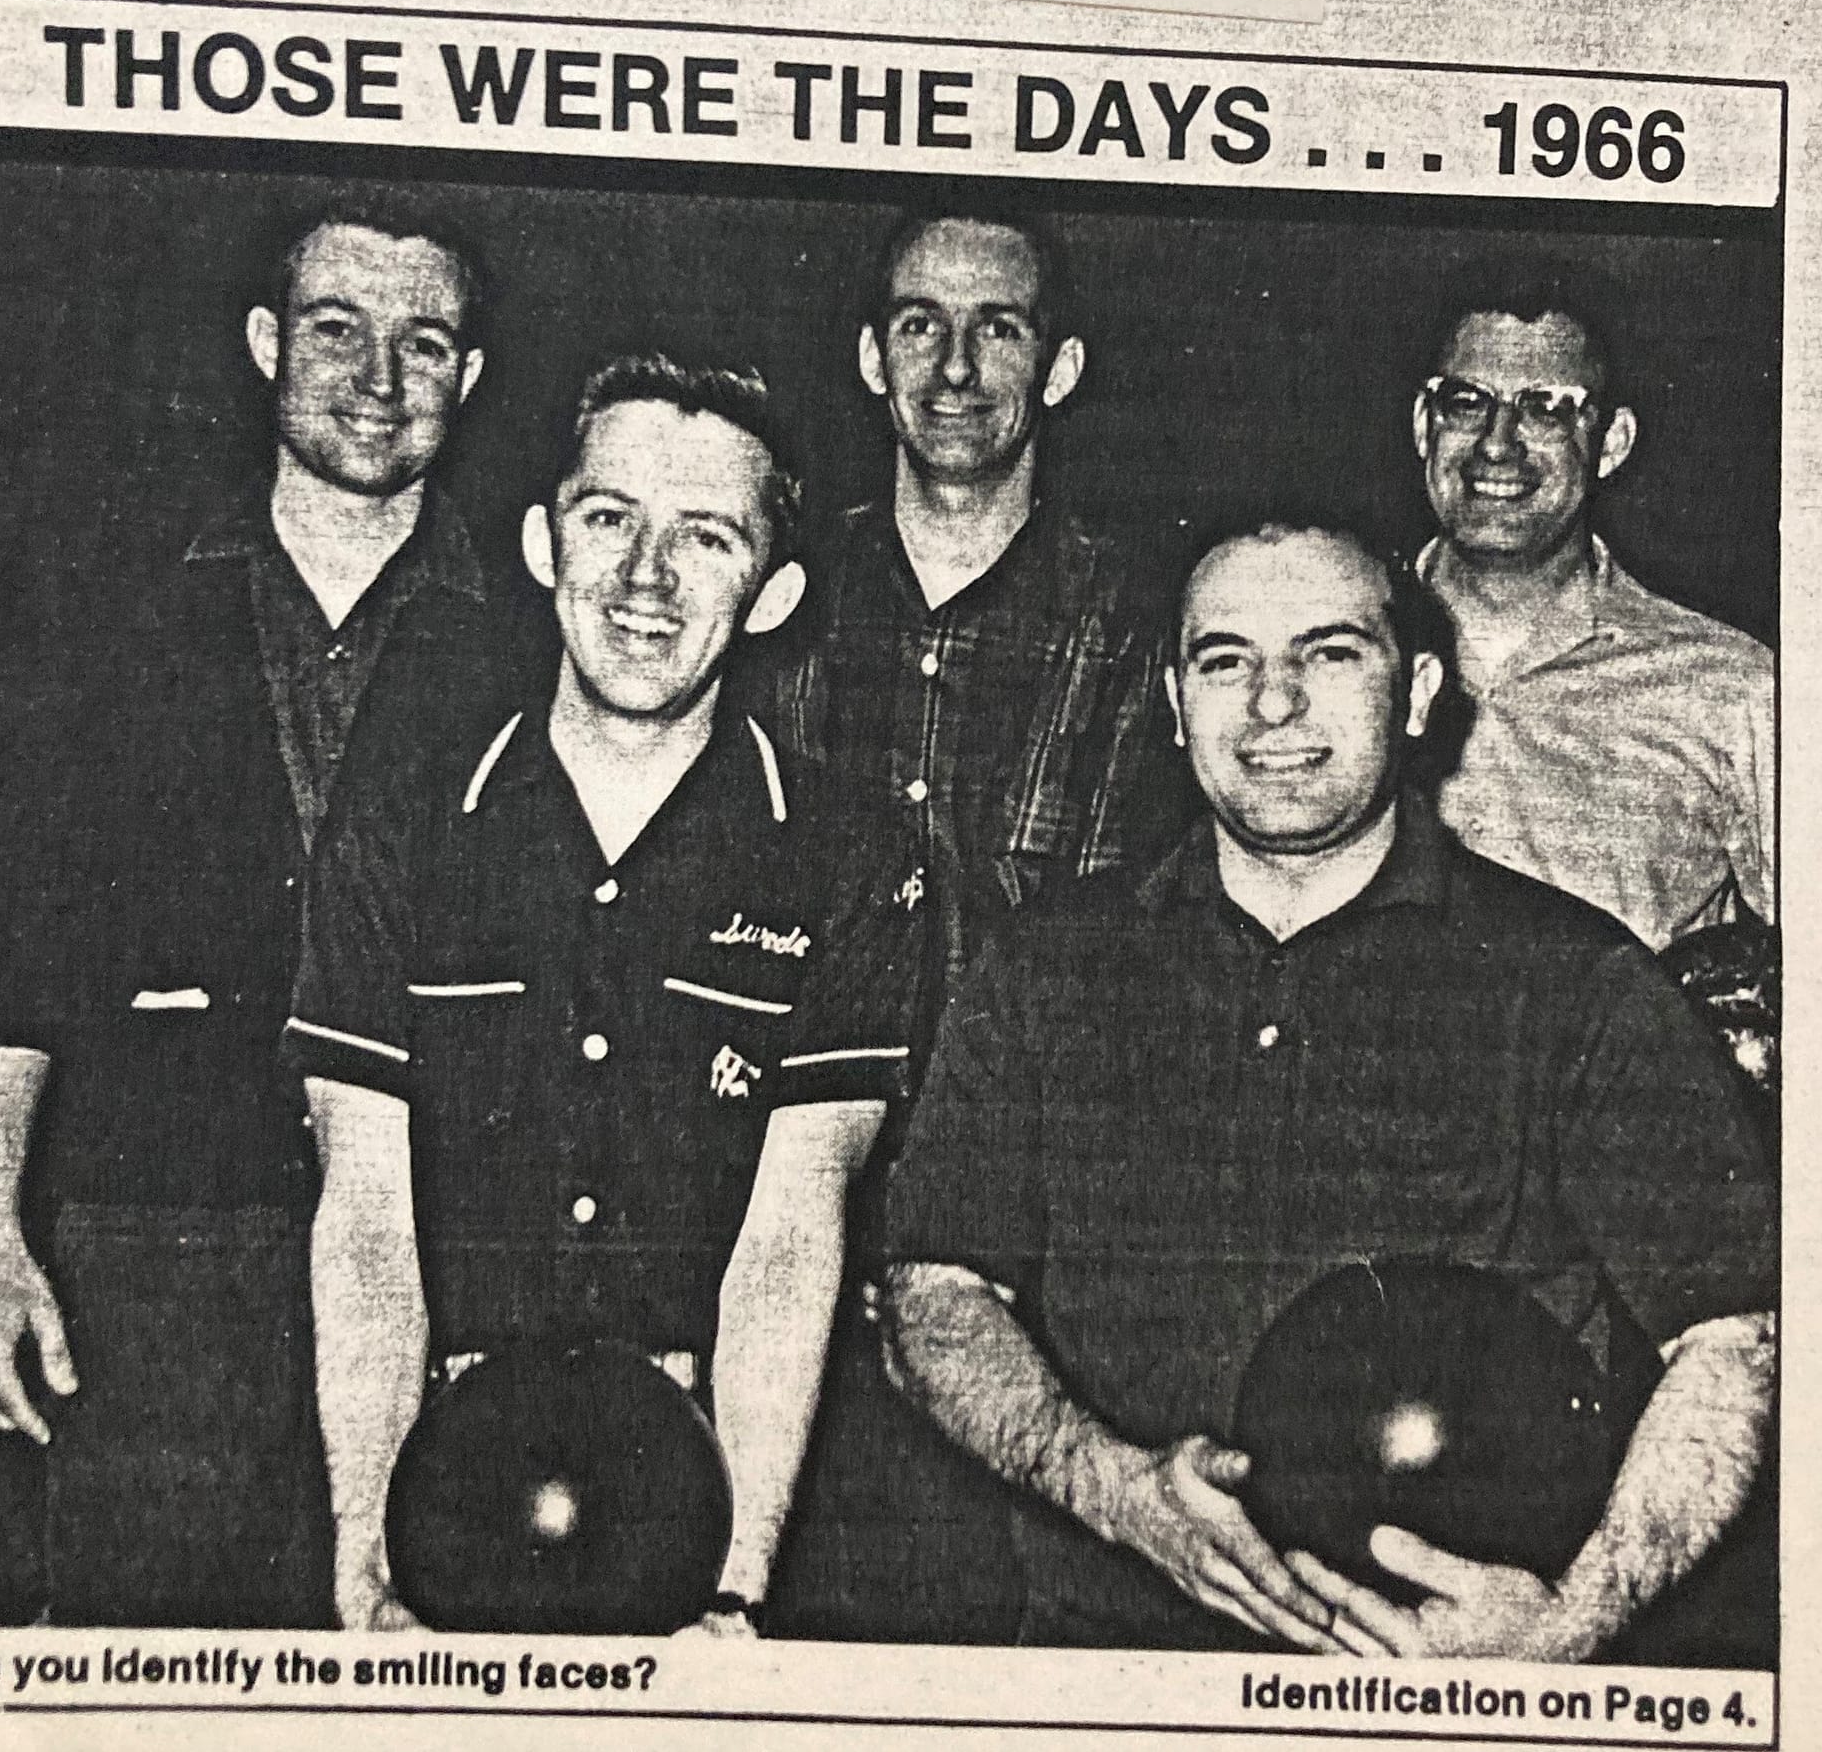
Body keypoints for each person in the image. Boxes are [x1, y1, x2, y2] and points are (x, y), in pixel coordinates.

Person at [880, 521, 1776, 1657]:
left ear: (1418, 695)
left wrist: (1566, 1634)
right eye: (1226, 660)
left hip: (1443, 1695)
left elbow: (1736, 1333)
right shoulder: (1047, 964)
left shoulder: (1573, 983)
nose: (1272, 705)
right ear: (1171, 700)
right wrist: (1113, 1492)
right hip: (1105, 1667)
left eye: (1330, 652)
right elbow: (933, 1292)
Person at [287, 354, 924, 1634]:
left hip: (701, 1467)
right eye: (608, 518)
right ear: (541, 543)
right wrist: (369, 1551)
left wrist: (733, 1585)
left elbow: (791, 1238)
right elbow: (364, 1213)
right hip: (446, 1466)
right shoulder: (401, 819)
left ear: (774, 591)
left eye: (707, 536)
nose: (646, 577)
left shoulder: (855, 854)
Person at [0, 204, 512, 1625]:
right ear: (266, 345)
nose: (379, 374)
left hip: (444, 1270)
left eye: (423, 341)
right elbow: (8, 947)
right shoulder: (110, 610)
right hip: (154, 1260)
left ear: (473, 377)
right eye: (338, 327)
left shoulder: (526, 638)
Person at [769, 206, 1174, 1643]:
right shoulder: (768, 600)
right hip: (777, 1244)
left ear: (1057, 365)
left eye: (998, 324)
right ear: (869, 355)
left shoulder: (1153, 628)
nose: (955, 365)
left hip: (1040, 1273)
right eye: (919, 323)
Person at [1412, 273, 1774, 953]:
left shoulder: (1732, 687)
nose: (1497, 443)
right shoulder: (1329, 653)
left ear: (1611, 443)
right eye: (1466, 402)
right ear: (1423, 427)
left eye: (1545, 408)